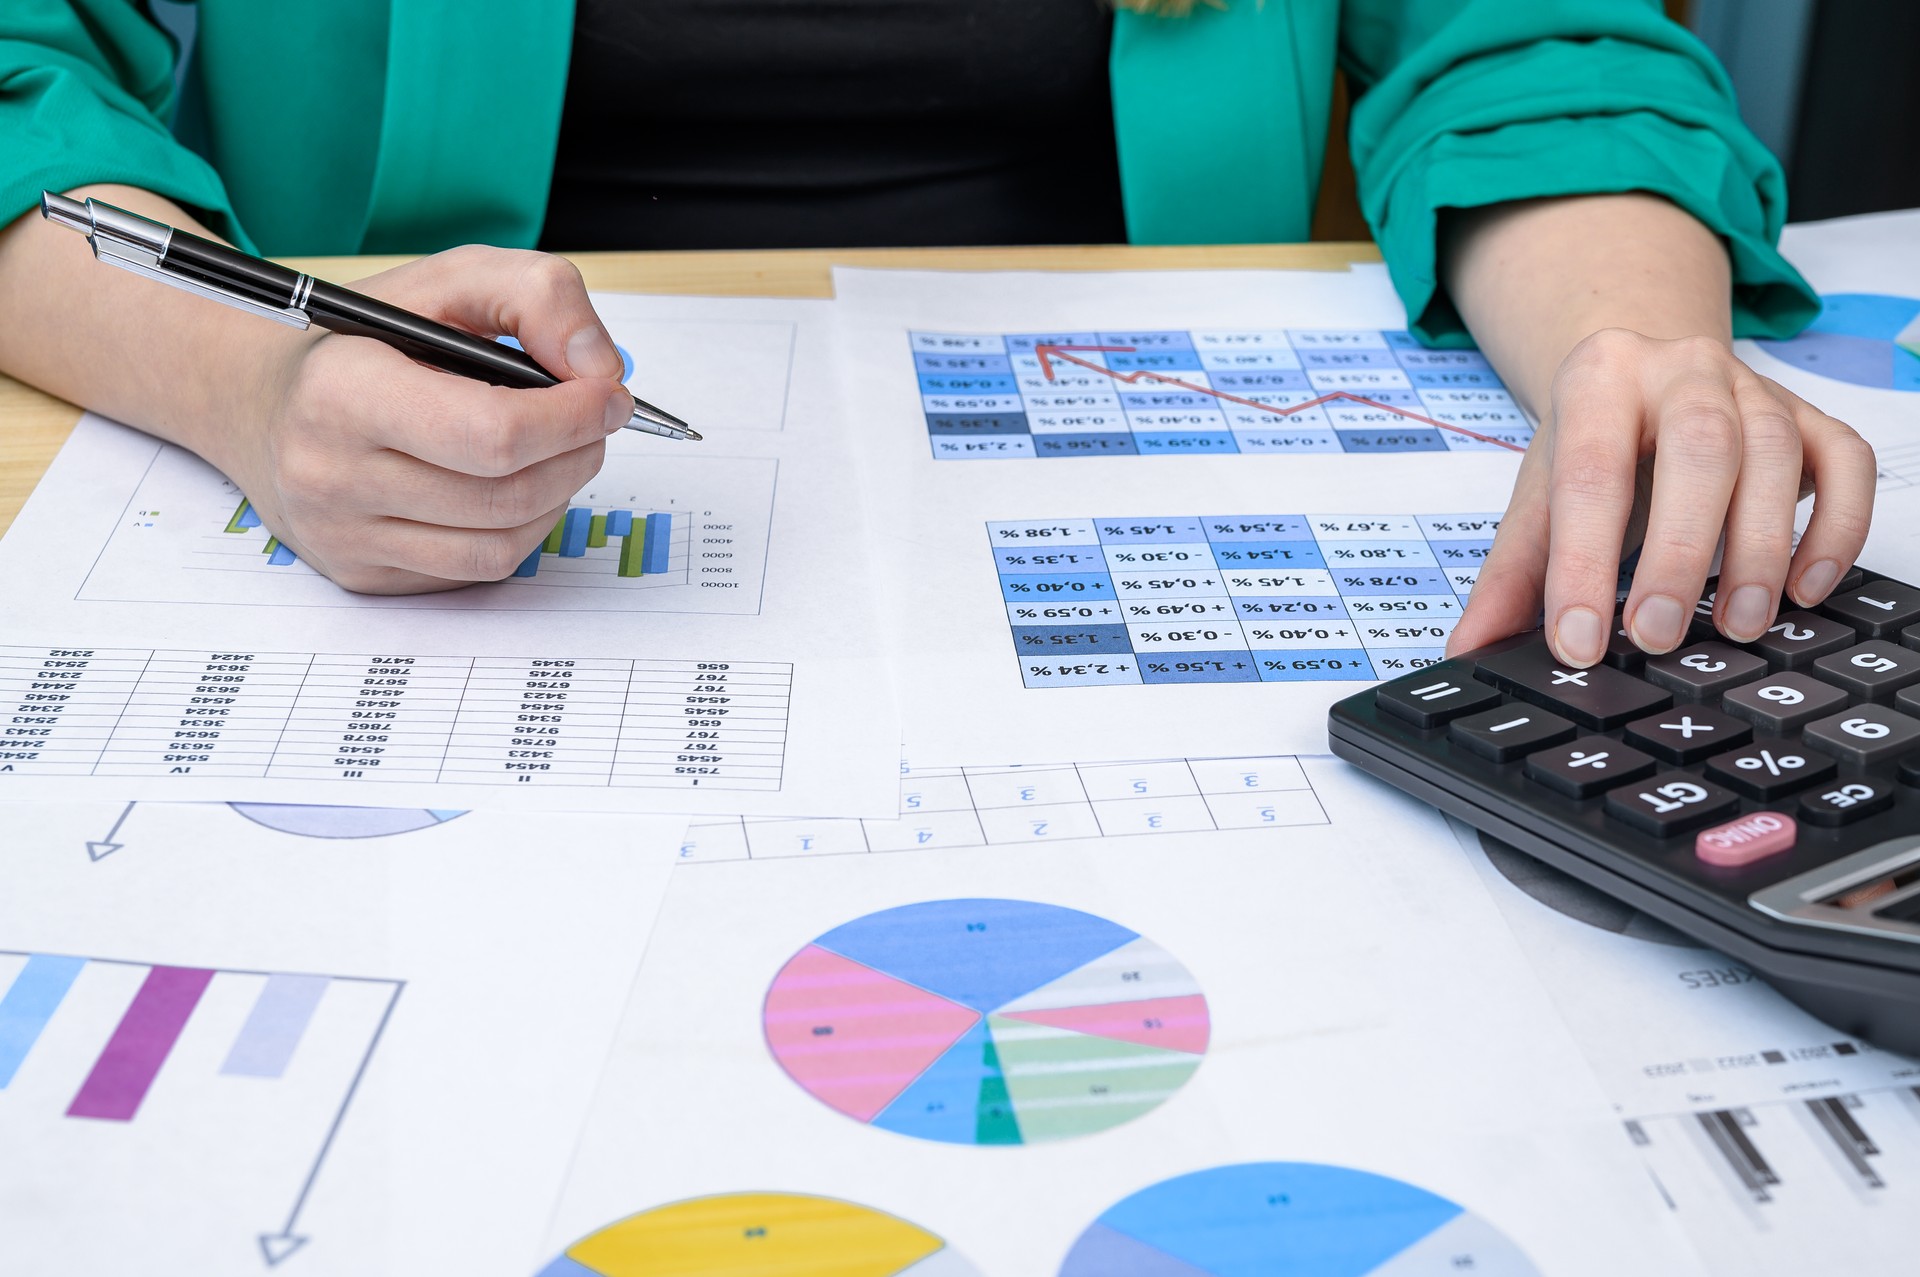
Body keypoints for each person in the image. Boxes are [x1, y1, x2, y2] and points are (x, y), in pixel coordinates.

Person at [0, 1, 1875, 670]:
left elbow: (1533, 39)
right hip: (419, 554)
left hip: (1110, 487)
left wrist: (1634, 348)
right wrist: (252, 376)